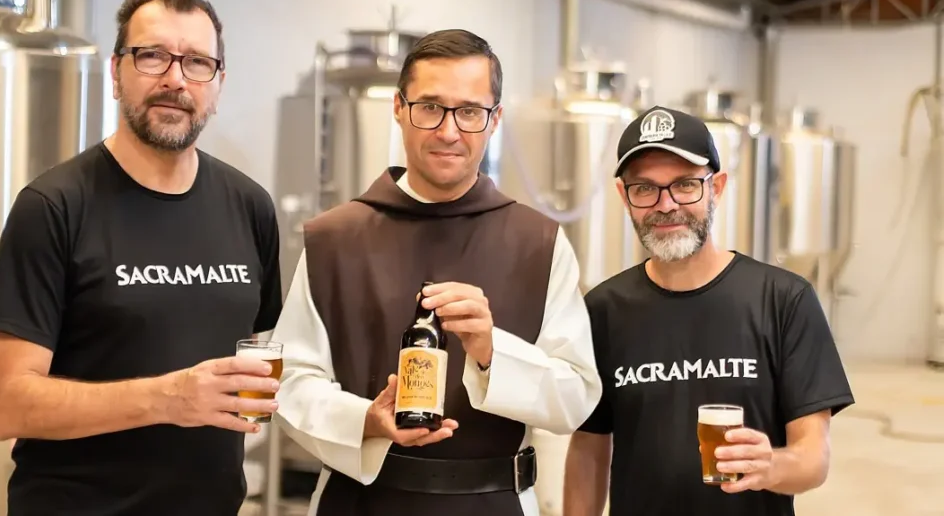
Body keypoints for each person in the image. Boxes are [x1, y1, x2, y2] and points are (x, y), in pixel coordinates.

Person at [268, 28, 602, 516]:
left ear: (494, 120)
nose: (449, 131)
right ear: (399, 108)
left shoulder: (539, 243)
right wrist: (366, 419)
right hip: (361, 501)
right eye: (430, 107)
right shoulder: (334, 239)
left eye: (469, 112)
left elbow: (576, 397)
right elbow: (290, 381)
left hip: (495, 502)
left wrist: (491, 353)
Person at [0, 0, 282, 516]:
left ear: (218, 85)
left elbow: (264, 358)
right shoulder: (54, 207)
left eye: (197, 62)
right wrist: (169, 398)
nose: (176, 79)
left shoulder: (250, 206)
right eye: (152, 55)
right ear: (116, 72)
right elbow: (5, 406)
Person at [562, 105, 856, 516]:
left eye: (685, 185)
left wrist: (771, 465)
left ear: (716, 187)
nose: (666, 205)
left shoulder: (783, 300)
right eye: (645, 188)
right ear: (624, 197)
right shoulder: (603, 310)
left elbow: (813, 458)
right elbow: (589, 448)